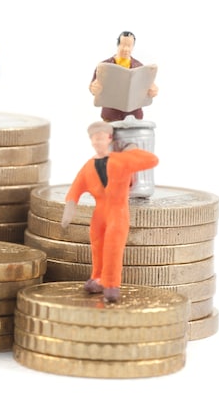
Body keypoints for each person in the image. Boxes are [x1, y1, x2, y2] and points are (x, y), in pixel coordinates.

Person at [61, 121, 159, 303]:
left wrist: (132, 150)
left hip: (117, 211)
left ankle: (111, 284)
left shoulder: (122, 160)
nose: (97, 142)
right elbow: (76, 187)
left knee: (113, 247)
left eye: (101, 138)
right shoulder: (89, 165)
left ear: (109, 139)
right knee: (97, 245)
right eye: (94, 139)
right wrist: (70, 207)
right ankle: (97, 277)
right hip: (99, 212)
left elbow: (152, 160)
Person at [89, 31, 158, 122]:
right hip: (111, 115)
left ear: (133, 47)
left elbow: (148, 85)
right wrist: (94, 87)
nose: (126, 49)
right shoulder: (104, 66)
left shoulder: (139, 67)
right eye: (123, 45)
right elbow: (93, 85)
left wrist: (152, 90)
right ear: (118, 45)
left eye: (129, 46)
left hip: (134, 116)